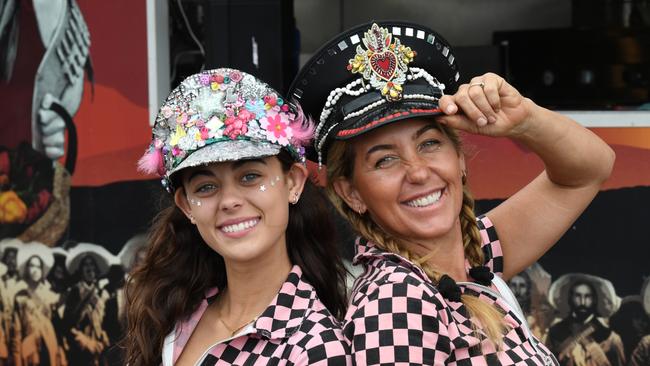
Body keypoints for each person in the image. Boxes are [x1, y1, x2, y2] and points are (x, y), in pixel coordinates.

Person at [288, 21, 615, 364]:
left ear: (459, 158)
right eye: (385, 160)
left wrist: (524, 120)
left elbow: (589, 170)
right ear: (351, 192)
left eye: (429, 143)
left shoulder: (475, 257)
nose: (417, 171)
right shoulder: (396, 302)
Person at [124, 68, 350, 366]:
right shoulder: (174, 314)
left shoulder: (313, 347)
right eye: (206, 187)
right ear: (186, 205)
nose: (229, 201)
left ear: (293, 182)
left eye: (249, 176)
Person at [546, 274, 625, 366]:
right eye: (577, 296)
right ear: (570, 298)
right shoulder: (556, 332)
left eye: (587, 297)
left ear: (595, 299)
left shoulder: (610, 338)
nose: (582, 302)